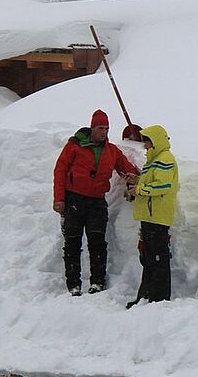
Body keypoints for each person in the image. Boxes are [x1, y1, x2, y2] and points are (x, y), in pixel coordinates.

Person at [52, 110, 138, 296]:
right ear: (92, 128)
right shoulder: (74, 146)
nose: (104, 132)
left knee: (97, 242)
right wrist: (59, 198)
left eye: (107, 128)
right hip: (73, 199)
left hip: (97, 201)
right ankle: (73, 284)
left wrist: (137, 178)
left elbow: (127, 168)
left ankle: (97, 282)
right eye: (100, 128)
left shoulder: (111, 151)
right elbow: (60, 170)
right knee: (72, 242)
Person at [126, 125, 179, 308]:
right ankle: (147, 296)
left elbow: (163, 186)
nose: (145, 145)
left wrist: (139, 189)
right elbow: (152, 181)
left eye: (147, 141)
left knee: (157, 259)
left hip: (157, 216)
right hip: (150, 216)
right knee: (148, 258)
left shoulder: (165, 159)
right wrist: (136, 180)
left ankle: (159, 299)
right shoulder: (154, 160)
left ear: (155, 141)